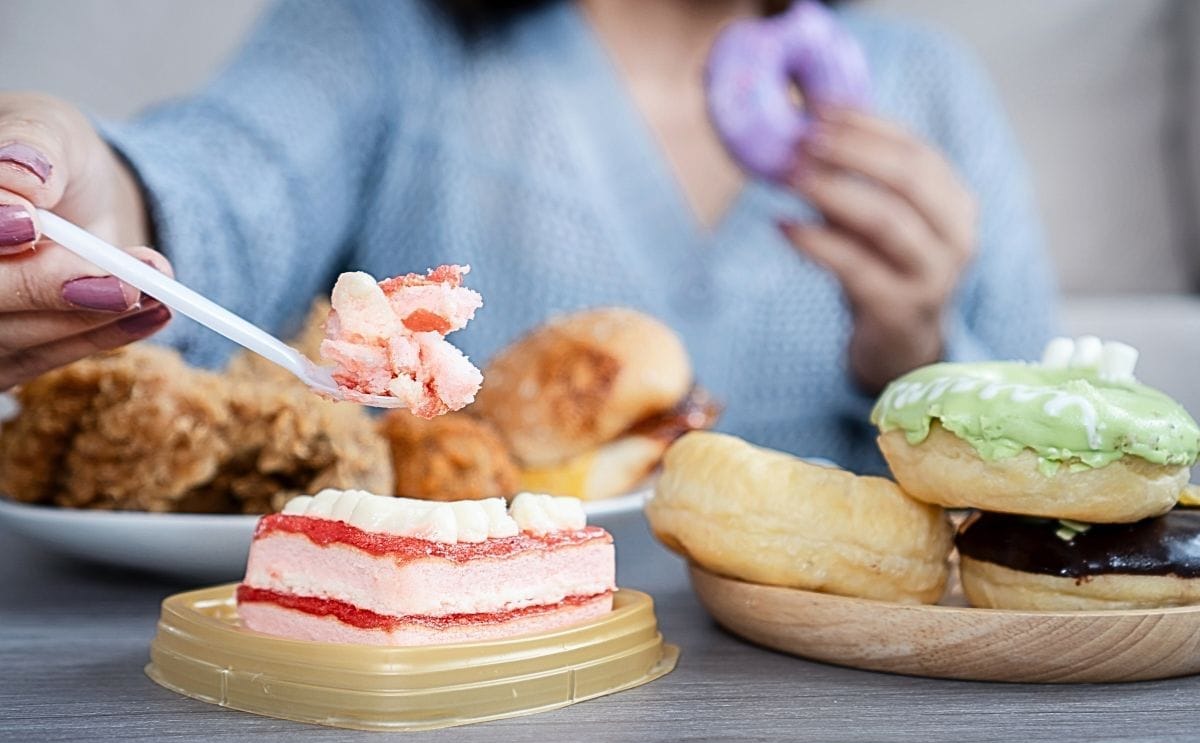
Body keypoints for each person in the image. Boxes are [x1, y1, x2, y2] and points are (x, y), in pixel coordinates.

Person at [0, 0, 1056, 472]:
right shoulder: (385, 35)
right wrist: (106, 210)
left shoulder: (928, 89)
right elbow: (231, 178)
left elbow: (1053, 465)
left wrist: (915, 358)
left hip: (846, 718)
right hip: (461, 695)